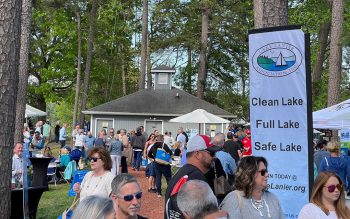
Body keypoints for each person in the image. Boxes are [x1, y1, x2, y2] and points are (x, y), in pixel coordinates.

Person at [165, 134, 221, 219]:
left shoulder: (182, 172)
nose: (214, 157)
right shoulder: (196, 178)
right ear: (197, 154)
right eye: (211, 153)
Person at [220, 156, 285, 219]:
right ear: (250, 173)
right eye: (263, 172)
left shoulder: (272, 198)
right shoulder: (233, 199)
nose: (267, 175)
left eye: (266, 171)